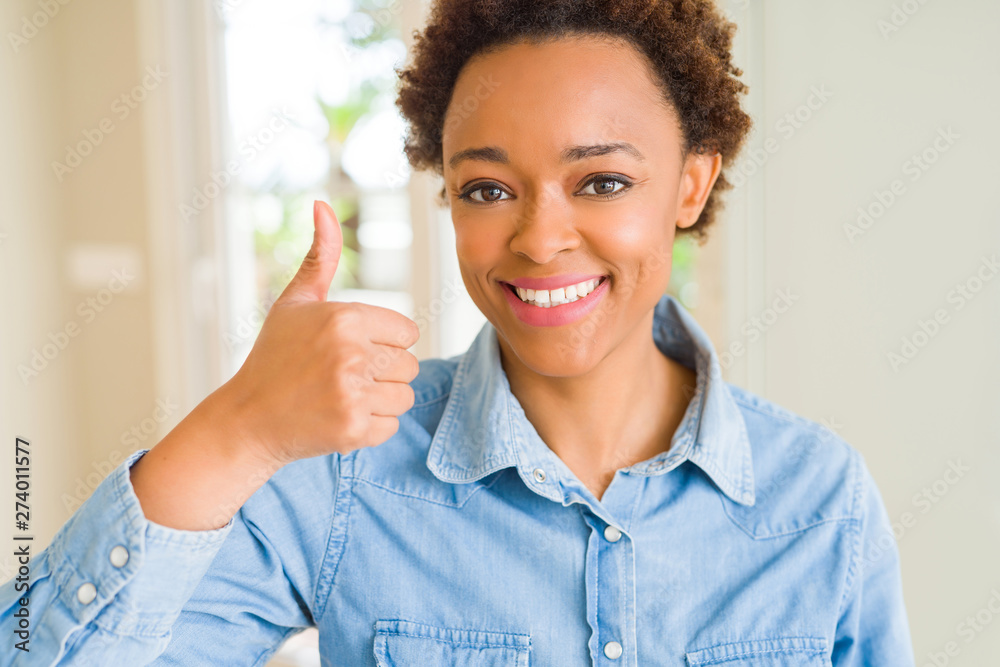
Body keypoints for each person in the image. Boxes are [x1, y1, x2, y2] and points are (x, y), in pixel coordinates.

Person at [0, 0, 916, 664]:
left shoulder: (820, 499)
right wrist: (237, 428)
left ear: (690, 183)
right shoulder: (345, 476)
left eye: (601, 181)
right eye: (488, 188)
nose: (541, 239)